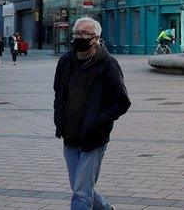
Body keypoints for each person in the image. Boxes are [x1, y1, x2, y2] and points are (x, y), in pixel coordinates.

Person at [53, 17, 131, 210]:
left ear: (96, 38)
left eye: (86, 34)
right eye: (77, 33)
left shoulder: (108, 65)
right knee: (81, 188)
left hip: (93, 139)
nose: (80, 37)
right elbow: (58, 94)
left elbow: (122, 101)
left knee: (80, 194)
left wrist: (99, 122)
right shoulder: (65, 62)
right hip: (70, 136)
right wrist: (59, 120)